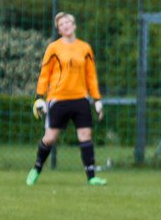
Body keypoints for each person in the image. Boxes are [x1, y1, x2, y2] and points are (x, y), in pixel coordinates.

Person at [26, 11, 107, 186]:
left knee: (85, 135)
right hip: (58, 99)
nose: (65, 26)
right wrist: (39, 97)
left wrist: (97, 99)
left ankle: (92, 177)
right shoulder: (54, 48)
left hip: (80, 99)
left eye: (67, 22)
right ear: (59, 30)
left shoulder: (85, 48)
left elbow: (91, 76)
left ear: (74, 25)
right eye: (61, 25)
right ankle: (36, 169)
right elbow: (44, 74)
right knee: (50, 138)